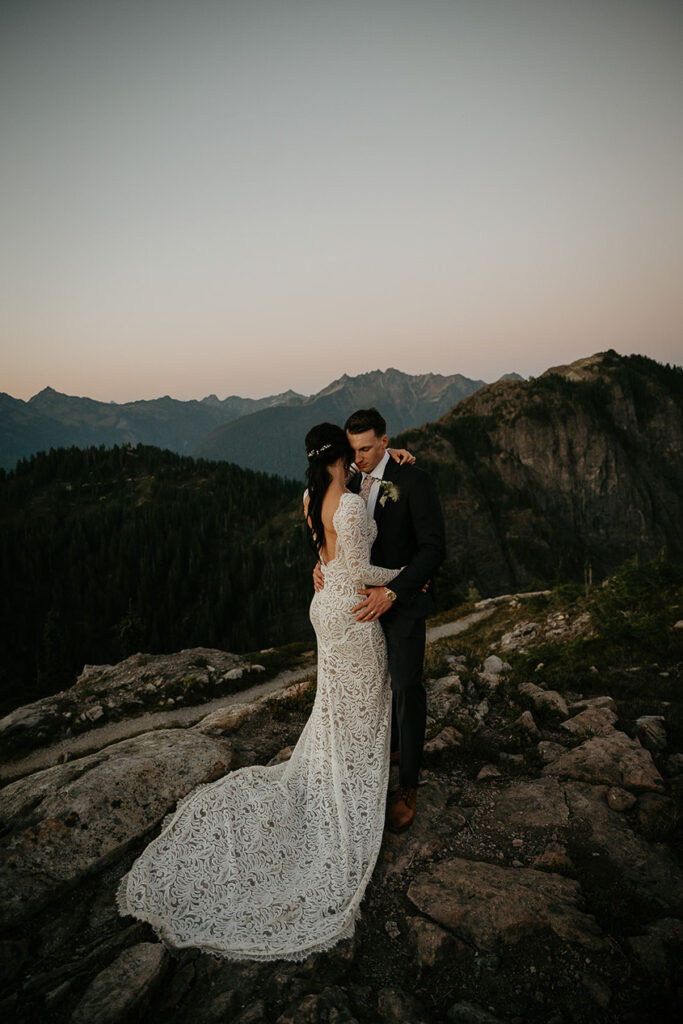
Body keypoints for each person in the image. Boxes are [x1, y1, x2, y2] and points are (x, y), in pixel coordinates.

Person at [116, 422, 405, 961]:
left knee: (334, 707)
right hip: (352, 616)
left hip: (324, 610)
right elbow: (362, 569)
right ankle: (356, 795)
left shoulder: (311, 498)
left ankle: (340, 776)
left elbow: (327, 563)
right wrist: (410, 574)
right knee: (365, 704)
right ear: (345, 454)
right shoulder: (348, 505)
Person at [314, 407, 446, 833]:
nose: (360, 458)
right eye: (354, 451)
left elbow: (432, 549)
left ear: (386, 441)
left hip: (400, 602)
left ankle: (409, 786)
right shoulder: (347, 479)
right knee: (369, 692)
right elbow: (331, 531)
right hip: (358, 610)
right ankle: (374, 764)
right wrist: (319, 565)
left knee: (406, 689)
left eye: (368, 448)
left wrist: (394, 590)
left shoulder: (414, 480)